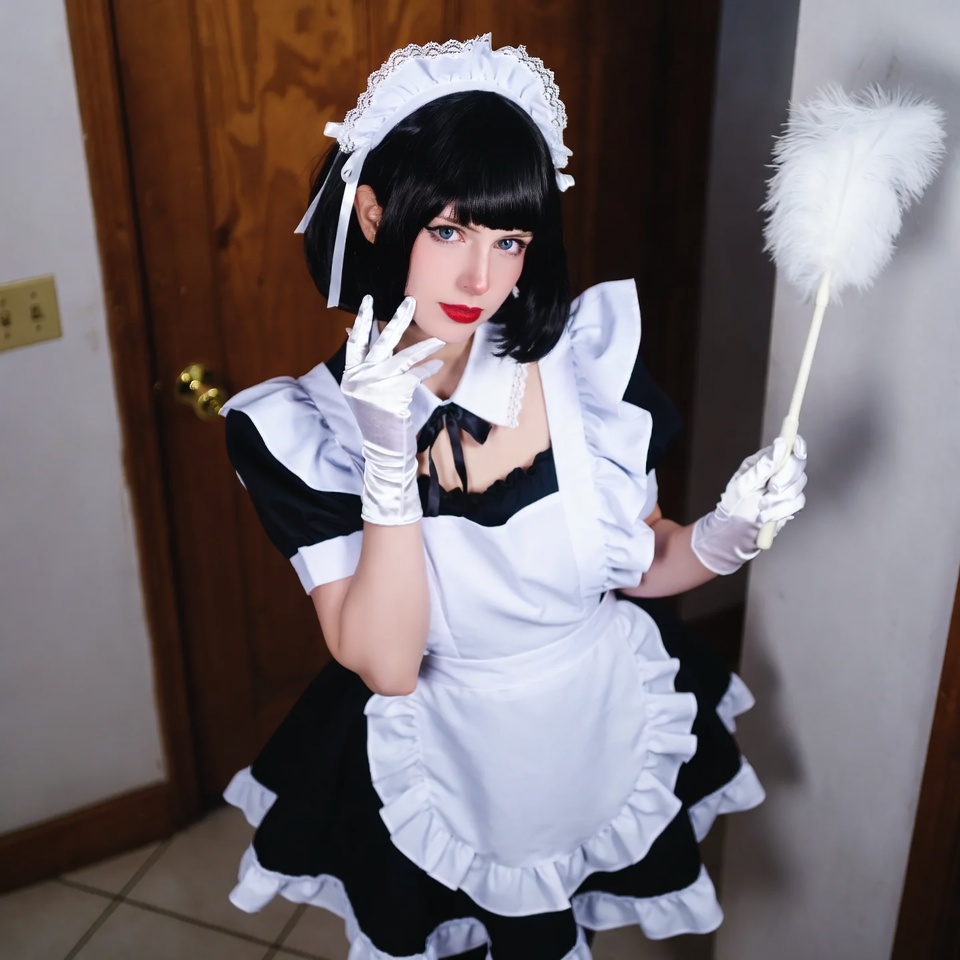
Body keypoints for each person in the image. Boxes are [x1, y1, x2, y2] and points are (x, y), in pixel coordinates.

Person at [219, 35, 807, 960]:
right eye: (448, 231)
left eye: (509, 241)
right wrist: (386, 466)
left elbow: (643, 561)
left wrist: (727, 534)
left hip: (596, 718)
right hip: (446, 751)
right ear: (373, 214)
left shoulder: (585, 361)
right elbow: (388, 663)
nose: (480, 280)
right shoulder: (301, 429)